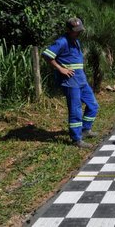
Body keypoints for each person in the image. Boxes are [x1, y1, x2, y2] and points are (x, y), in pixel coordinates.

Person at [42, 17, 99, 149]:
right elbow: (46, 55)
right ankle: (76, 138)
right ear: (68, 30)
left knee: (93, 105)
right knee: (76, 111)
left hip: (81, 80)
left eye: (79, 30)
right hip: (70, 82)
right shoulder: (62, 42)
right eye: (75, 31)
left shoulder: (76, 41)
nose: (78, 33)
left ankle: (86, 129)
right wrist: (61, 68)